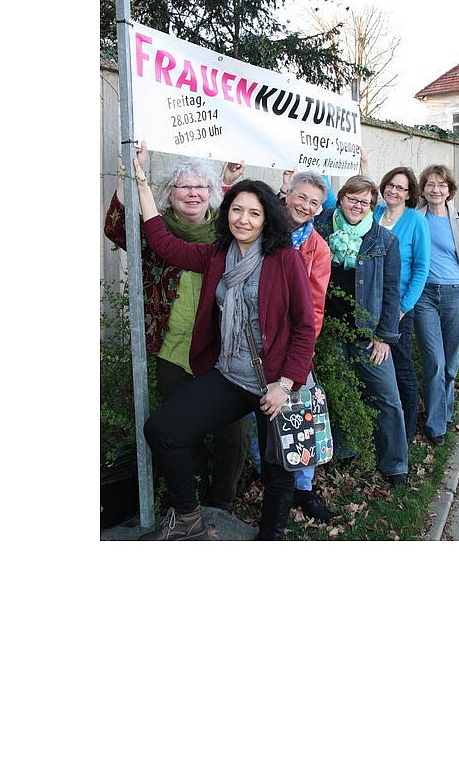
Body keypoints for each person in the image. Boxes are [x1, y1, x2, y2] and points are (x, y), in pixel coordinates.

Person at [132, 164, 316, 541]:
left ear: (267, 218)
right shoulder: (218, 255)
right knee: (162, 430)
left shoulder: (284, 259)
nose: (243, 220)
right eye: (236, 210)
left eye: (253, 213)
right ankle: (187, 515)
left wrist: (285, 383)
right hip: (230, 376)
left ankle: (271, 536)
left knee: (277, 468)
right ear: (226, 211)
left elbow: (304, 325)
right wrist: (140, 183)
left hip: (275, 383)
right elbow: (166, 245)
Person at [103, 144, 249, 512]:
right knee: (182, 431)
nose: (193, 193)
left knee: (232, 434)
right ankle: (190, 501)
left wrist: (231, 181)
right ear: (169, 193)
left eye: (201, 187)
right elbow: (117, 229)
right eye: (184, 187)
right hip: (172, 350)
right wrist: (130, 175)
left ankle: (222, 504)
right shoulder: (156, 232)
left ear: (212, 193)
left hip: (221, 352)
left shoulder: (227, 233)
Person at [314, 176, 409, 485]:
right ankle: (344, 450)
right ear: (340, 199)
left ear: (372, 205)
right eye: (352, 199)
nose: (357, 206)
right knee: (336, 393)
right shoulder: (321, 228)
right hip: (328, 331)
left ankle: (395, 463)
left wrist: (384, 337)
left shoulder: (384, 240)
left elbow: (392, 291)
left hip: (368, 334)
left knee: (386, 397)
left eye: (365, 202)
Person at [414, 164, 459, 445]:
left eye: (441, 185)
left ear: (450, 190)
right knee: (435, 361)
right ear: (423, 188)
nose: (435, 189)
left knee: (450, 364)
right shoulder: (414, 215)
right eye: (430, 184)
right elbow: (383, 200)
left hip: (456, 294)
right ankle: (435, 425)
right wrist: (365, 167)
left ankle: (445, 411)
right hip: (424, 297)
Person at [281, 171, 333, 522]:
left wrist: (304, 352)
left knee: (303, 415)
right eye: (301, 197)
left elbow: (315, 307)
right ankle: (267, 474)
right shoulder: (262, 228)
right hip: (252, 340)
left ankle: (303, 488)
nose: (306, 206)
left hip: (294, 343)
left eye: (314, 202)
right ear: (287, 194)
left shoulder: (318, 248)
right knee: (259, 413)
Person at [371, 165, 430, 445]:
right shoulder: (376, 214)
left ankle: (406, 429)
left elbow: (421, 268)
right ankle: (381, 424)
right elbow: (337, 202)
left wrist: (404, 307)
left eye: (401, 188)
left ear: (409, 194)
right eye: (391, 185)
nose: (394, 191)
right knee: (375, 364)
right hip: (371, 304)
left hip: (399, 307)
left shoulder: (416, 222)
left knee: (402, 366)